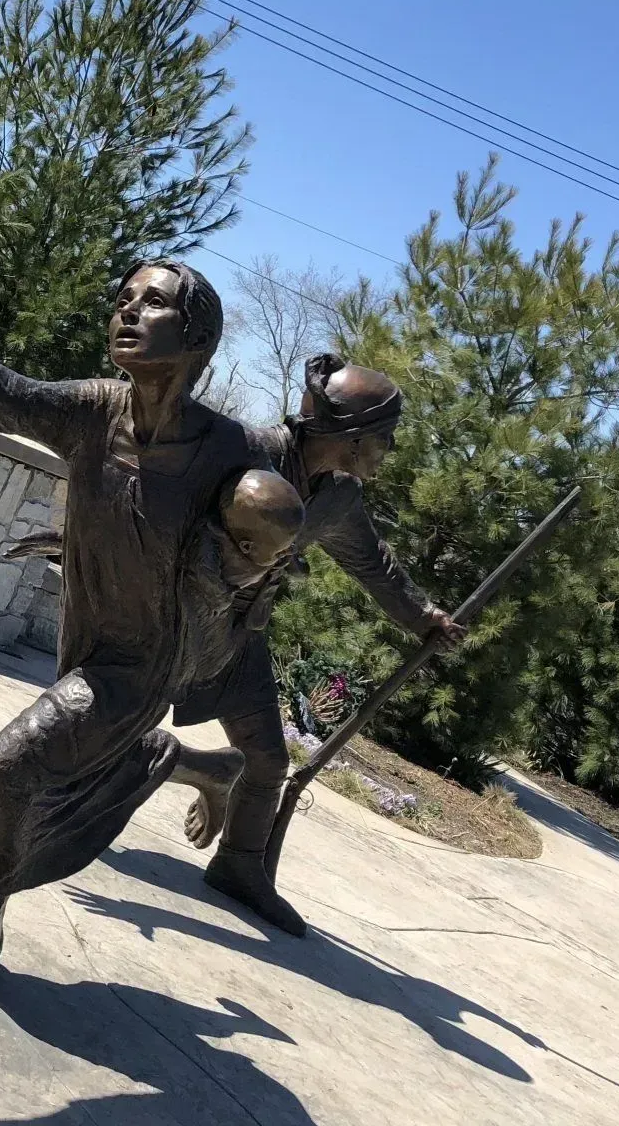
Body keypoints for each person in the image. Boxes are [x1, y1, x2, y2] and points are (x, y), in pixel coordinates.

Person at [0, 262, 304, 979]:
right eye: (123, 299)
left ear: (197, 338)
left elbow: (275, 532)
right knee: (90, 750)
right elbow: (6, 391)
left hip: (146, 660)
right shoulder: (94, 412)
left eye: (153, 303)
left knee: (4, 769)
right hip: (86, 632)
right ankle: (208, 767)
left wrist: (248, 562)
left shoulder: (233, 450)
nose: (128, 312)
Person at [175, 353, 464, 938]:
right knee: (107, 724)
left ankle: (239, 866)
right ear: (352, 438)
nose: (388, 450)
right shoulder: (249, 450)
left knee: (267, 760)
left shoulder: (338, 497)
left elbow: (373, 564)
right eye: (384, 438)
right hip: (172, 618)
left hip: (238, 632)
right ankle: (198, 769)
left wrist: (424, 618)